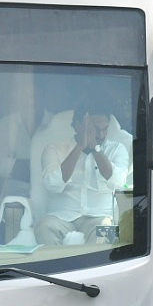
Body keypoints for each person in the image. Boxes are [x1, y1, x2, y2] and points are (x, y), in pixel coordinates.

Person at [34, 102, 131, 245]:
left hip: (102, 217)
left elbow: (118, 182)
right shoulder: (54, 149)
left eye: (105, 129)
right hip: (61, 217)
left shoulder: (117, 149)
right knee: (43, 228)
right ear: (78, 126)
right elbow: (52, 184)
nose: (101, 135)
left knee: (108, 231)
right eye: (95, 129)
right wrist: (80, 146)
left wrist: (95, 149)